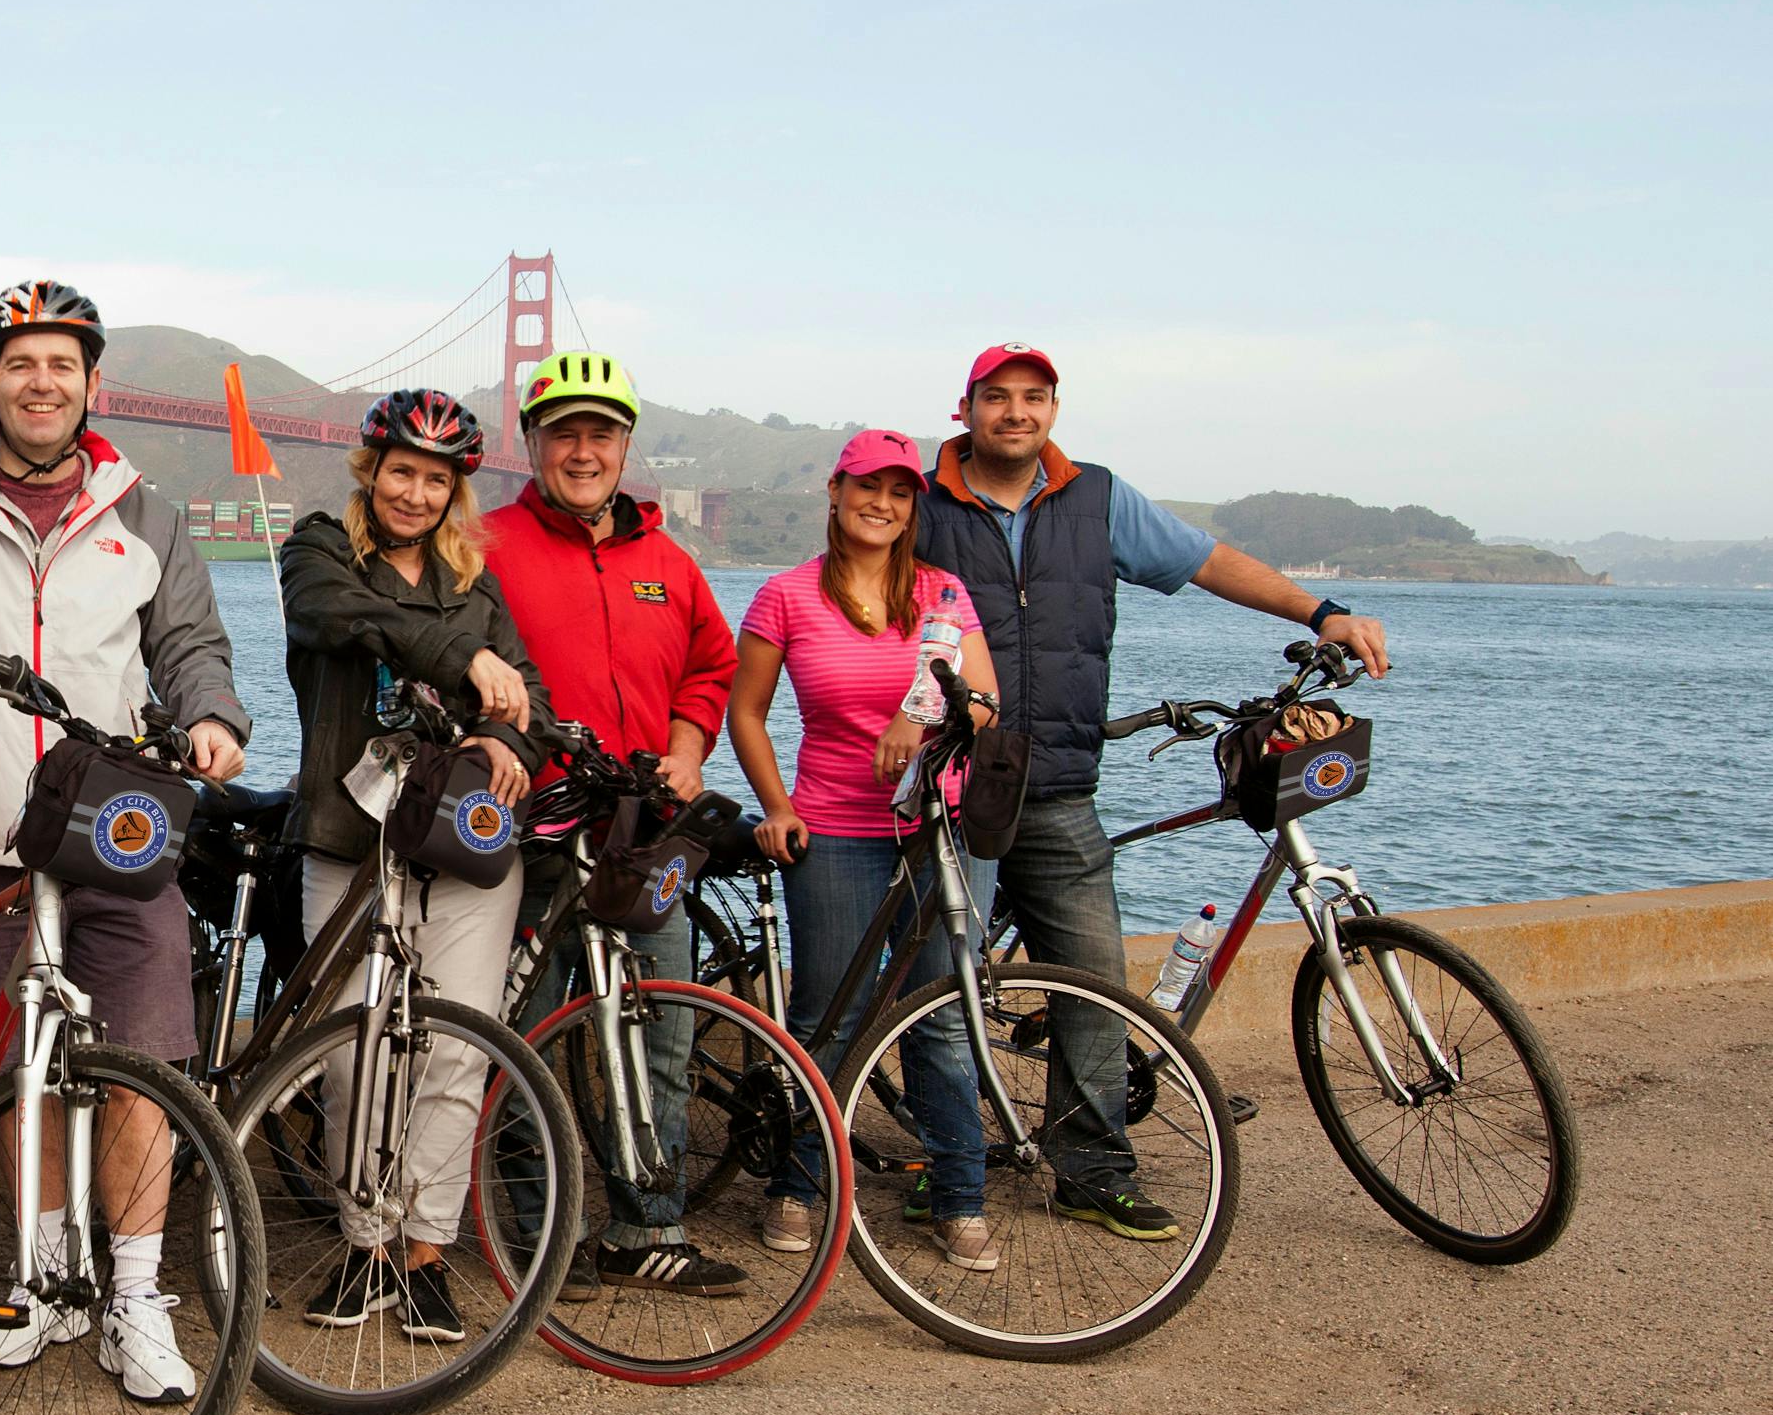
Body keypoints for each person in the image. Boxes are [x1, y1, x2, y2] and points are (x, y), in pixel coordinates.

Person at [0, 279, 250, 1405]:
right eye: (20, 363)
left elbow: (190, 645)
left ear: (90, 383)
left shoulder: (147, 514)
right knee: (17, 1074)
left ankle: (133, 1296)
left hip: (120, 834)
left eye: (61, 365)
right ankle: (42, 1283)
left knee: (143, 1070)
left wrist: (213, 717)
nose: (41, 383)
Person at [918, 342, 1394, 1237]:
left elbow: (1207, 560)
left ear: (1053, 409)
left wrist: (1322, 612)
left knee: (1095, 978)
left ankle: (1092, 1167)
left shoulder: (1096, 498)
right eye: (998, 396)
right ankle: (943, 1164)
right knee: (942, 982)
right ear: (966, 408)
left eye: (1034, 396)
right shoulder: (922, 501)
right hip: (953, 784)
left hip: (1059, 780)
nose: (1016, 412)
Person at [273, 388, 547, 1341]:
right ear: (371, 470)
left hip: (462, 852)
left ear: (453, 490)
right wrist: (465, 662)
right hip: (349, 844)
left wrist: (510, 739)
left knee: (455, 1053)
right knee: (354, 1056)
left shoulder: (474, 582)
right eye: (402, 472)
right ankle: (367, 1246)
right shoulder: (318, 551)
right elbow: (338, 617)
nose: (416, 493)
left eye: (436, 480)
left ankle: (425, 1255)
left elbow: (529, 694)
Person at [479, 352, 744, 1299]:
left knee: (664, 1028)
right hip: (531, 831)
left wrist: (690, 745)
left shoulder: (668, 562)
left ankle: (648, 1227)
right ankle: (540, 1231)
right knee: (524, 1035)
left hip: (645, 833)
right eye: (564, 433)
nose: (583, 451)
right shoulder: (484, 543)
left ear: (626, 447)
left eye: (602, 434)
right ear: (532, 443)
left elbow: (712, 666)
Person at [727, 430, 1003, 1269]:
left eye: (898, 490)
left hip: (938, 829)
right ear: (835, 491)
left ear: (913, 505)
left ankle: (958, 1197)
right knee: (827, 1017)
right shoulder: (786, 595)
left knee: (941, 1016)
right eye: (866, 486)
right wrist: (776, 808)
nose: (881, 503)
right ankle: (799, 1185)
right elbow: (746, 712)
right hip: (836, 828)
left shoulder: (942, 593)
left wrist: (920, 719)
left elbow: (986, 702)